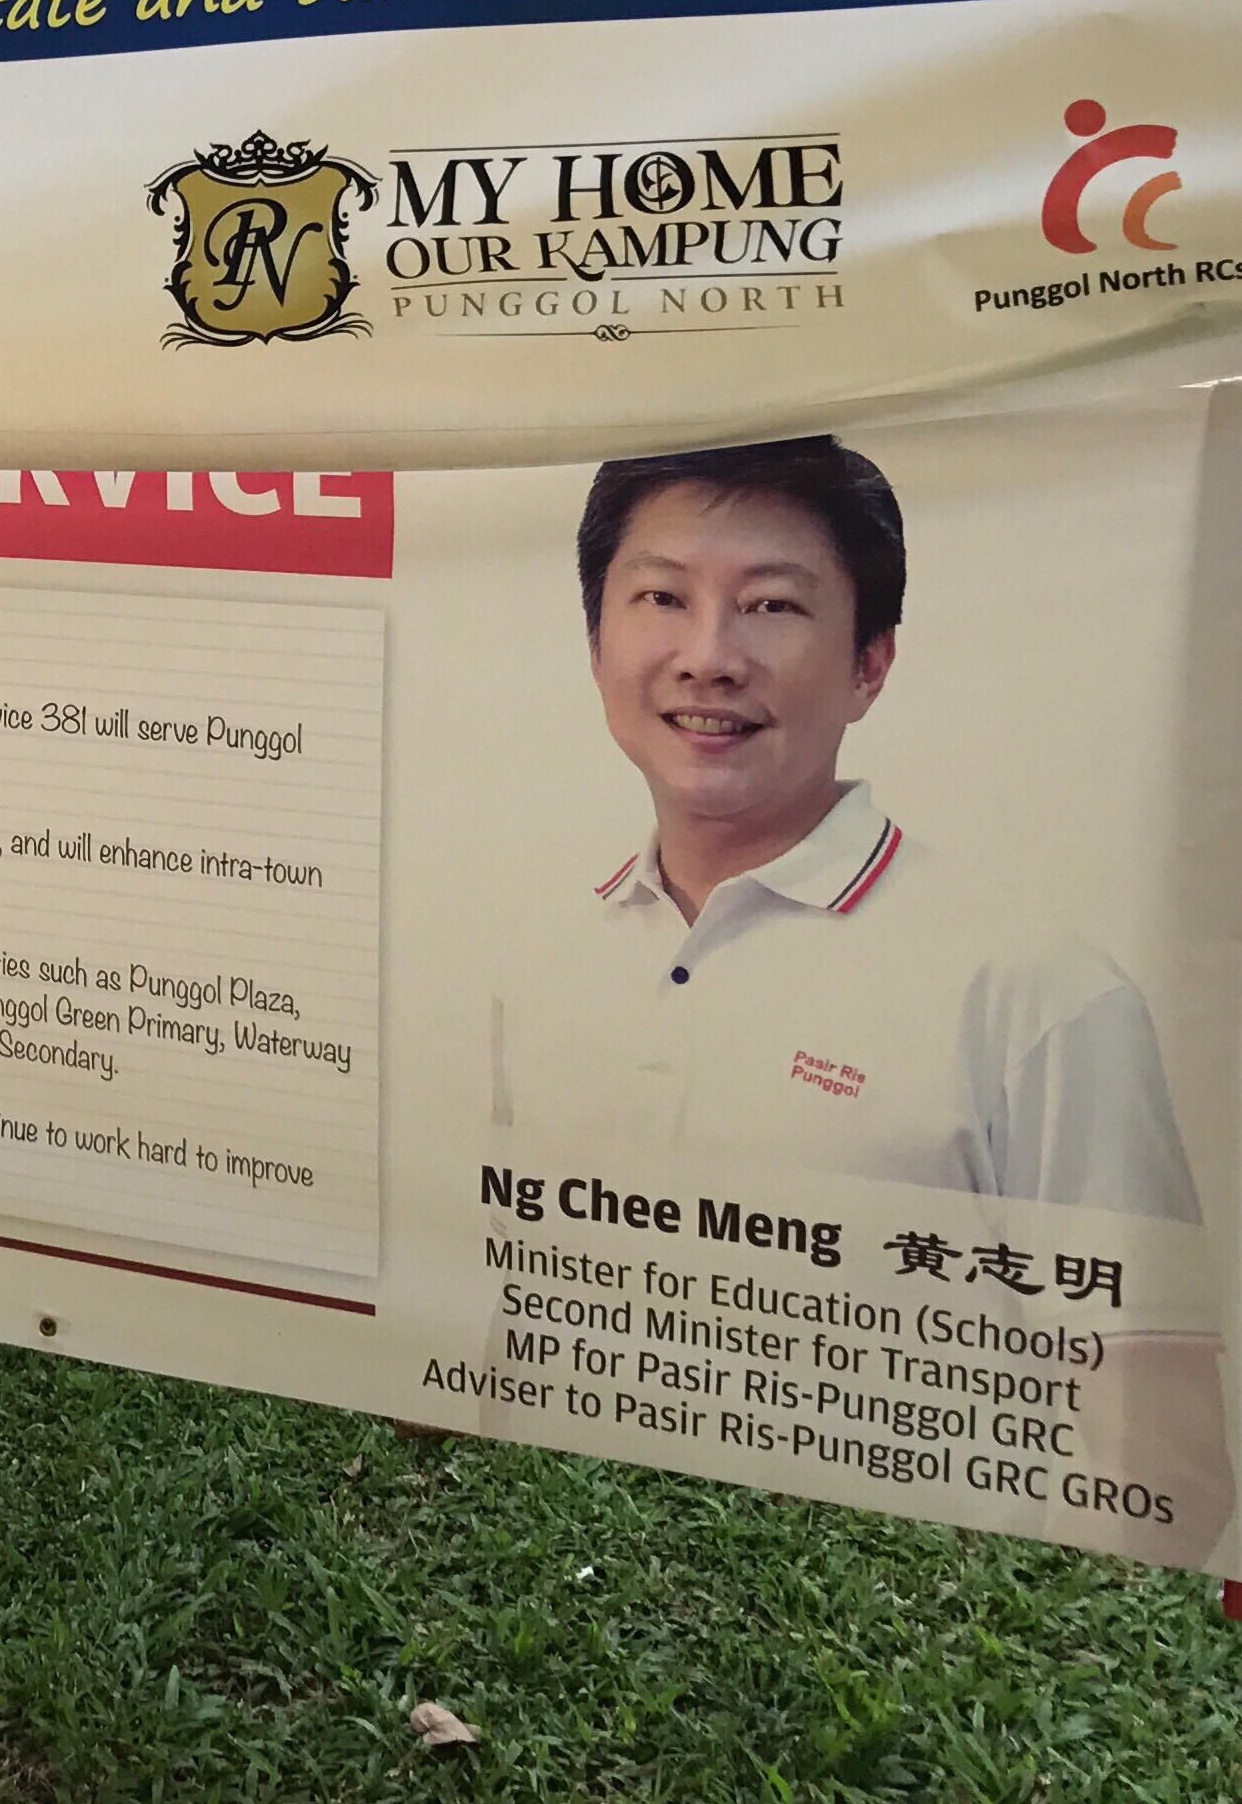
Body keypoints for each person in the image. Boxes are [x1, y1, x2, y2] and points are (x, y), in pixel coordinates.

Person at [497, 435, 1199, 1222]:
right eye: (664, 598)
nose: (708, 658)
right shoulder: (541, 961)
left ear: (869, 665)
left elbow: (1129, 1304)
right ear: (596, 647)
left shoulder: (1039, 996)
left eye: (771, 605)